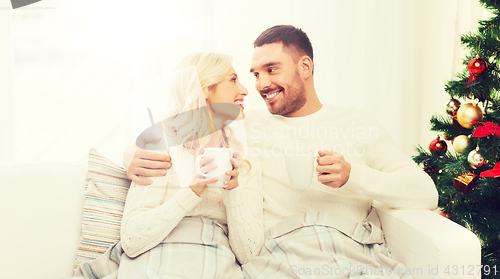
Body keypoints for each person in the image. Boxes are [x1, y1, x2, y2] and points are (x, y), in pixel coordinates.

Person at [124, 26, 438, 278]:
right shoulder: (242, 121)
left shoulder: (356, 123)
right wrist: (131, 157)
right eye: (255, 74)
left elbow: (424, 193)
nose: (260, 84)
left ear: (305, 66)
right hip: (281, 254)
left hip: (351, 248)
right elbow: (176, 127)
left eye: (271, 70)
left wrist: (353, 175)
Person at [77, 53, 264, 279]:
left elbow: (251, 255)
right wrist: (192, 192)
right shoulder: (159, 146)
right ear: (205, 89)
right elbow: (132, 240)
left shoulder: (245, 160)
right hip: (157, 262)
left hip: (215, 263)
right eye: (233, 80)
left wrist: (233, 192)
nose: (244, 90)